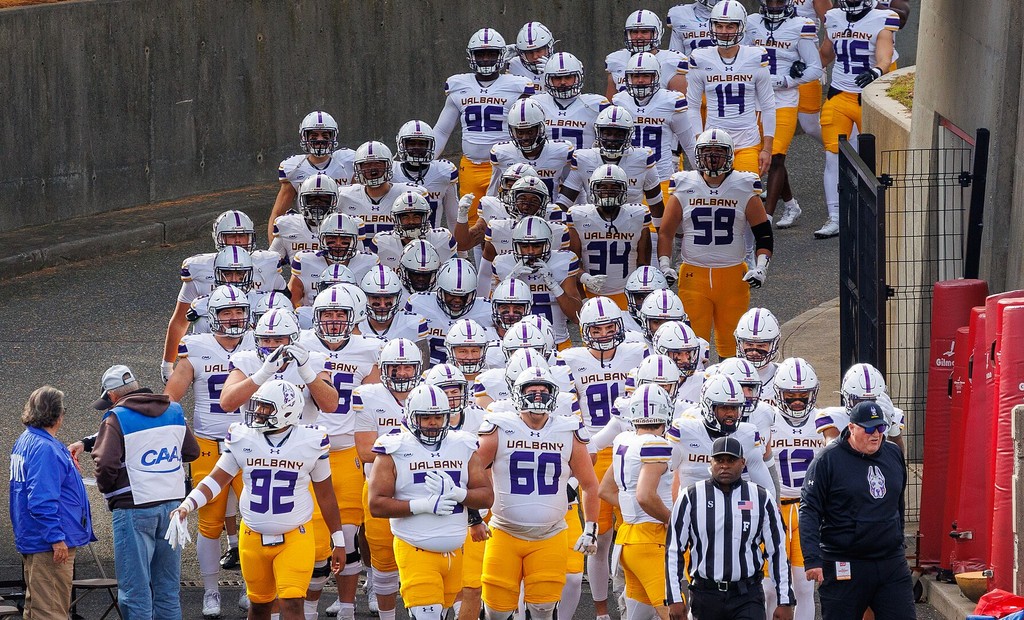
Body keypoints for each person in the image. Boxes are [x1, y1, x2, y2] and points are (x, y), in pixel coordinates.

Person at [171, 380, 346, 620]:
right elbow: (215, 480)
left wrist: (339, 540)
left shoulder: (311, 441)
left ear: (286, 411)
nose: (257, 412)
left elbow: (326, 494)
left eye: (265, 407)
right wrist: (186, 505)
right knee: (260, 606)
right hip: (252, 537)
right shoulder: (243, 437)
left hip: (295, 536)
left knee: (293, 602)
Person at [476, 367, 601, 620]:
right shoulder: (499, 427)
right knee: (496, 613)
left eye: (544, 391)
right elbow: (473, 474)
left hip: (550, 534)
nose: (538, 397)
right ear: (516, 394)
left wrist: (591, 529)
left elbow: (589, 484)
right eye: (531, 391)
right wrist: (474, 517)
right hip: (504, 532)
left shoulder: (568, 431)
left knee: (543, 610)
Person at [164, 284, 257, 617]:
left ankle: (251, 585)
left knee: (254, 519)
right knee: (210, 521)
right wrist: (183, 431)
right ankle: (212, 591)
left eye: (239, 312)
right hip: (208, 444)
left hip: (250, 442)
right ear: (212, 317)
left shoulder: (261, 344)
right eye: (226, 312)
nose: (234, 318)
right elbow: (171, 397)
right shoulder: (197, 347)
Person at [367, 384, 493, 620]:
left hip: (455, 553)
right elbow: (376, 504)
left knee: (443, 614)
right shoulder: (394, 447)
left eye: (438, 416)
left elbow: (487, 496)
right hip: (415, 547)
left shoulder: (462, 444)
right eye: (426, 417)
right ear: (411, 417)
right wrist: (421, 506)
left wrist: (458, 493)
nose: (433, 423)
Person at [91, 364, 200, 619]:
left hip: (134, 507)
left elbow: (105, 464)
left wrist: (109, 493)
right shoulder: (173, 410)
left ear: (113, 396)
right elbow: (191, 452)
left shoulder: (116, 417)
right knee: (168, 590)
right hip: (173, 508)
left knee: (134, 592)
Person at [658, 128, 773, 359]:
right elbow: (665, 232)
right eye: (706, 152)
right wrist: (664, 265)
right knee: (691, 349)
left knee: (731, 351)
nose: (712, 157)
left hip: (733, 276)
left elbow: (764, 234)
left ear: (730, 155)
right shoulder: (684, 184)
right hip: (693, 276)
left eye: (718, 152)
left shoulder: (743, 185)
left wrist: (761, 267)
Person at [799, 401, 916, 619]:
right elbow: (809, 509)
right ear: (852, 427)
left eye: (880, 428)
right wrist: (812, 558)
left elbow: (897, 502)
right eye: (869, 429)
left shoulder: (892, 454)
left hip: (889, 561)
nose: (876, 434)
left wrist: (898, 540)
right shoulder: (828, 459)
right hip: (845, 560)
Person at [666, 436, 794, 620]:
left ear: (743, 462)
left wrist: (785, 600)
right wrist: (674, 597)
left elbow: (778, 551)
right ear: (711, 461)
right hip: (705, 595)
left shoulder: (761, 497)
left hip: (747, 595)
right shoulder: (690, 497)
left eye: (731, 460)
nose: (724, 465)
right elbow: (673, 550)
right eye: (719, 460)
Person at [433, 28, 535, 229]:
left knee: (505, 220)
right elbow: (442, 131)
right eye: (481, 54)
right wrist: (425, 163)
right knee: (472, 223)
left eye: (491, 54)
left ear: (501, 55)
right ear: (472, 56)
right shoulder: (458, 85)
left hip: (506, 165)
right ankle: (477, 262)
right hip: (470, 166)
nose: (486, 59)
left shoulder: (518, 85)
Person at [814, 0, 899, 239]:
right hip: (839, 96)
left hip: (869, 97)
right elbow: (825, 54)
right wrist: (805, 69)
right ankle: (836, 218)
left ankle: (878, 214)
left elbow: (884, 55)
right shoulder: (833, 17)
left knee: (877, 157)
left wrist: (877, 70)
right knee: (832, 157)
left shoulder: (883, 18)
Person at [10, 386, 94, 620]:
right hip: (49, 542)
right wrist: (57, 539)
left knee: (35, 608)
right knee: (51, 611)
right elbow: (42, 500)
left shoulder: (25, 440)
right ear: (58, 415)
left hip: (34, 538)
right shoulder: (46, 448)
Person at [597, 384, 676, 620]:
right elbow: (645, 495)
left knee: (637, 614)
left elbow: (605, 490)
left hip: (627, 539)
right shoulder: (656, 444)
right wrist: (674, 521)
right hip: (651, 540)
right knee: (674, 612)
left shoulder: (623, 441)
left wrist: (634, 512)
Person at [744, 0, 823, 227]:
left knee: (777, 154)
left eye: (779, 1)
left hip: (784, 98)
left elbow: (815, 68)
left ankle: (766, 217)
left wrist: (789, 79)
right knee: (766, 154)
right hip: (756, 98)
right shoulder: (751, 22)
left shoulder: (801, 25)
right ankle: (790, 204)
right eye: (771, 1)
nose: (775, 5)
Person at [685, 0, 777, 176]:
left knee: (748, 193)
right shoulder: (700, 58)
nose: (723, 32)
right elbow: (693, 106)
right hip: (713, 142)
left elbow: (768, 105)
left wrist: (767, 148)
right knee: (716, 198)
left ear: (740, 28)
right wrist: (699, 141)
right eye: (719, 26)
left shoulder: (755, 56)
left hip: (748, 140)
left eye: (730, 27)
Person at [766, 357, 826, 620]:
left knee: (804, 585)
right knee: (767, 588)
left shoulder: (824, 421)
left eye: (804, 394)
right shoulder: (765, 419)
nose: (797, 400)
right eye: (791, 394)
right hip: (774, 509)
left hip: (807, 512)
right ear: (779, 393)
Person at [567, 165, 652, 307]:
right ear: (593, 189)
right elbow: (571, 263)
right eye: (602, 186)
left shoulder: (638, 215)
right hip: (591, 294)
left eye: (614, 187)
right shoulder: (579, 216)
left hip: (627, 294)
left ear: (623, 190)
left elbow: (643, 264)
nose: (608, 191)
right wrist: (584, 286)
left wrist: (639, 298)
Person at [267, 111, 355, 244]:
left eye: (325, 135)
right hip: (308, 231)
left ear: (333, 136)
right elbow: (278, 214)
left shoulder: (347, 162)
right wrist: (273, 252)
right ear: (304, 137)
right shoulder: (295, 168)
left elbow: (360, 202)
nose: (320, 139)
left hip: (341, 232)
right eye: (314, 135)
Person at [337, 141, 427, 254]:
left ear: (388, 166)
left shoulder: (410, 194)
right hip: (357, 262)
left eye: (378, 164)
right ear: (358, 168)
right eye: (366, 165)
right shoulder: (343, 196)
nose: (372, 169)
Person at [486, 98, 575, 205]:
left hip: (550, 215)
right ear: (512, 131)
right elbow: (493, 192)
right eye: (520, 132)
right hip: (512, 216)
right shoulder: (501, 153)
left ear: (540, 128)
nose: (525, 137)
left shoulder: (561, 151)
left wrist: (565, 213)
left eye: (530, 131)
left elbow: (573, 187)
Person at [530, 52, 610, 151]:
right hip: (547, 165)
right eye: (557, 78)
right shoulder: (535, 103)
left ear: (578, 78)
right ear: (548, 79)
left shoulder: (597, 104)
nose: (563, 82)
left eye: (568, 77)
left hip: (583, 165)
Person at [605, 9, 689, 100]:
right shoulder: (616, 60)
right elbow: (611, 106)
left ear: (657, 33)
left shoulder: (671, 62)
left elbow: (678, 107)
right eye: (634, 32)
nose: (638, 36)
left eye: (644, 32)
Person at [391, 120, 460, 228]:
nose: (417, 147)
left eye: (422, 143)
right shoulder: (391, 172)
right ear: (401, 144)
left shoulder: (443, 172)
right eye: (412, 143)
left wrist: (456, 243)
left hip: (432, 241)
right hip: (397, 242)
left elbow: (453, 218)